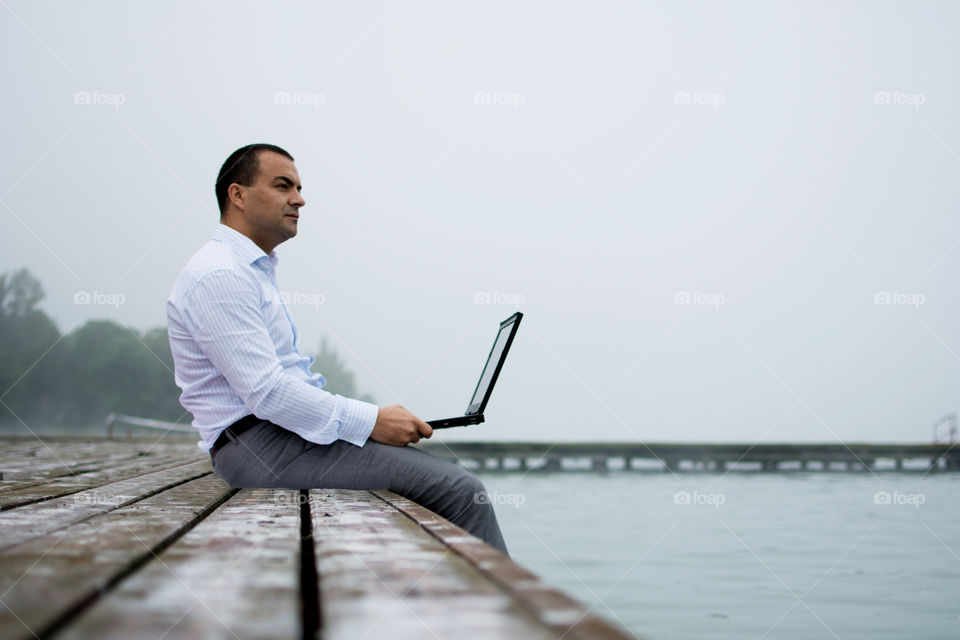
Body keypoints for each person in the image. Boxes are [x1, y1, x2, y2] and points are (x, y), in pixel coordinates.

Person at [166, 143, 508, 554]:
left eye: (298, 187)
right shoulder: (219, 274)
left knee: (441, 478)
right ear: (237, 195)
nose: (299, 199)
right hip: (258, 447)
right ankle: (502, 613)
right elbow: (267, 393)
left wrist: (370, 424)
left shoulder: (247, 271)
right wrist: (371, 420)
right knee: (461, 490)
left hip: (276, 438)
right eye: (282, 186)